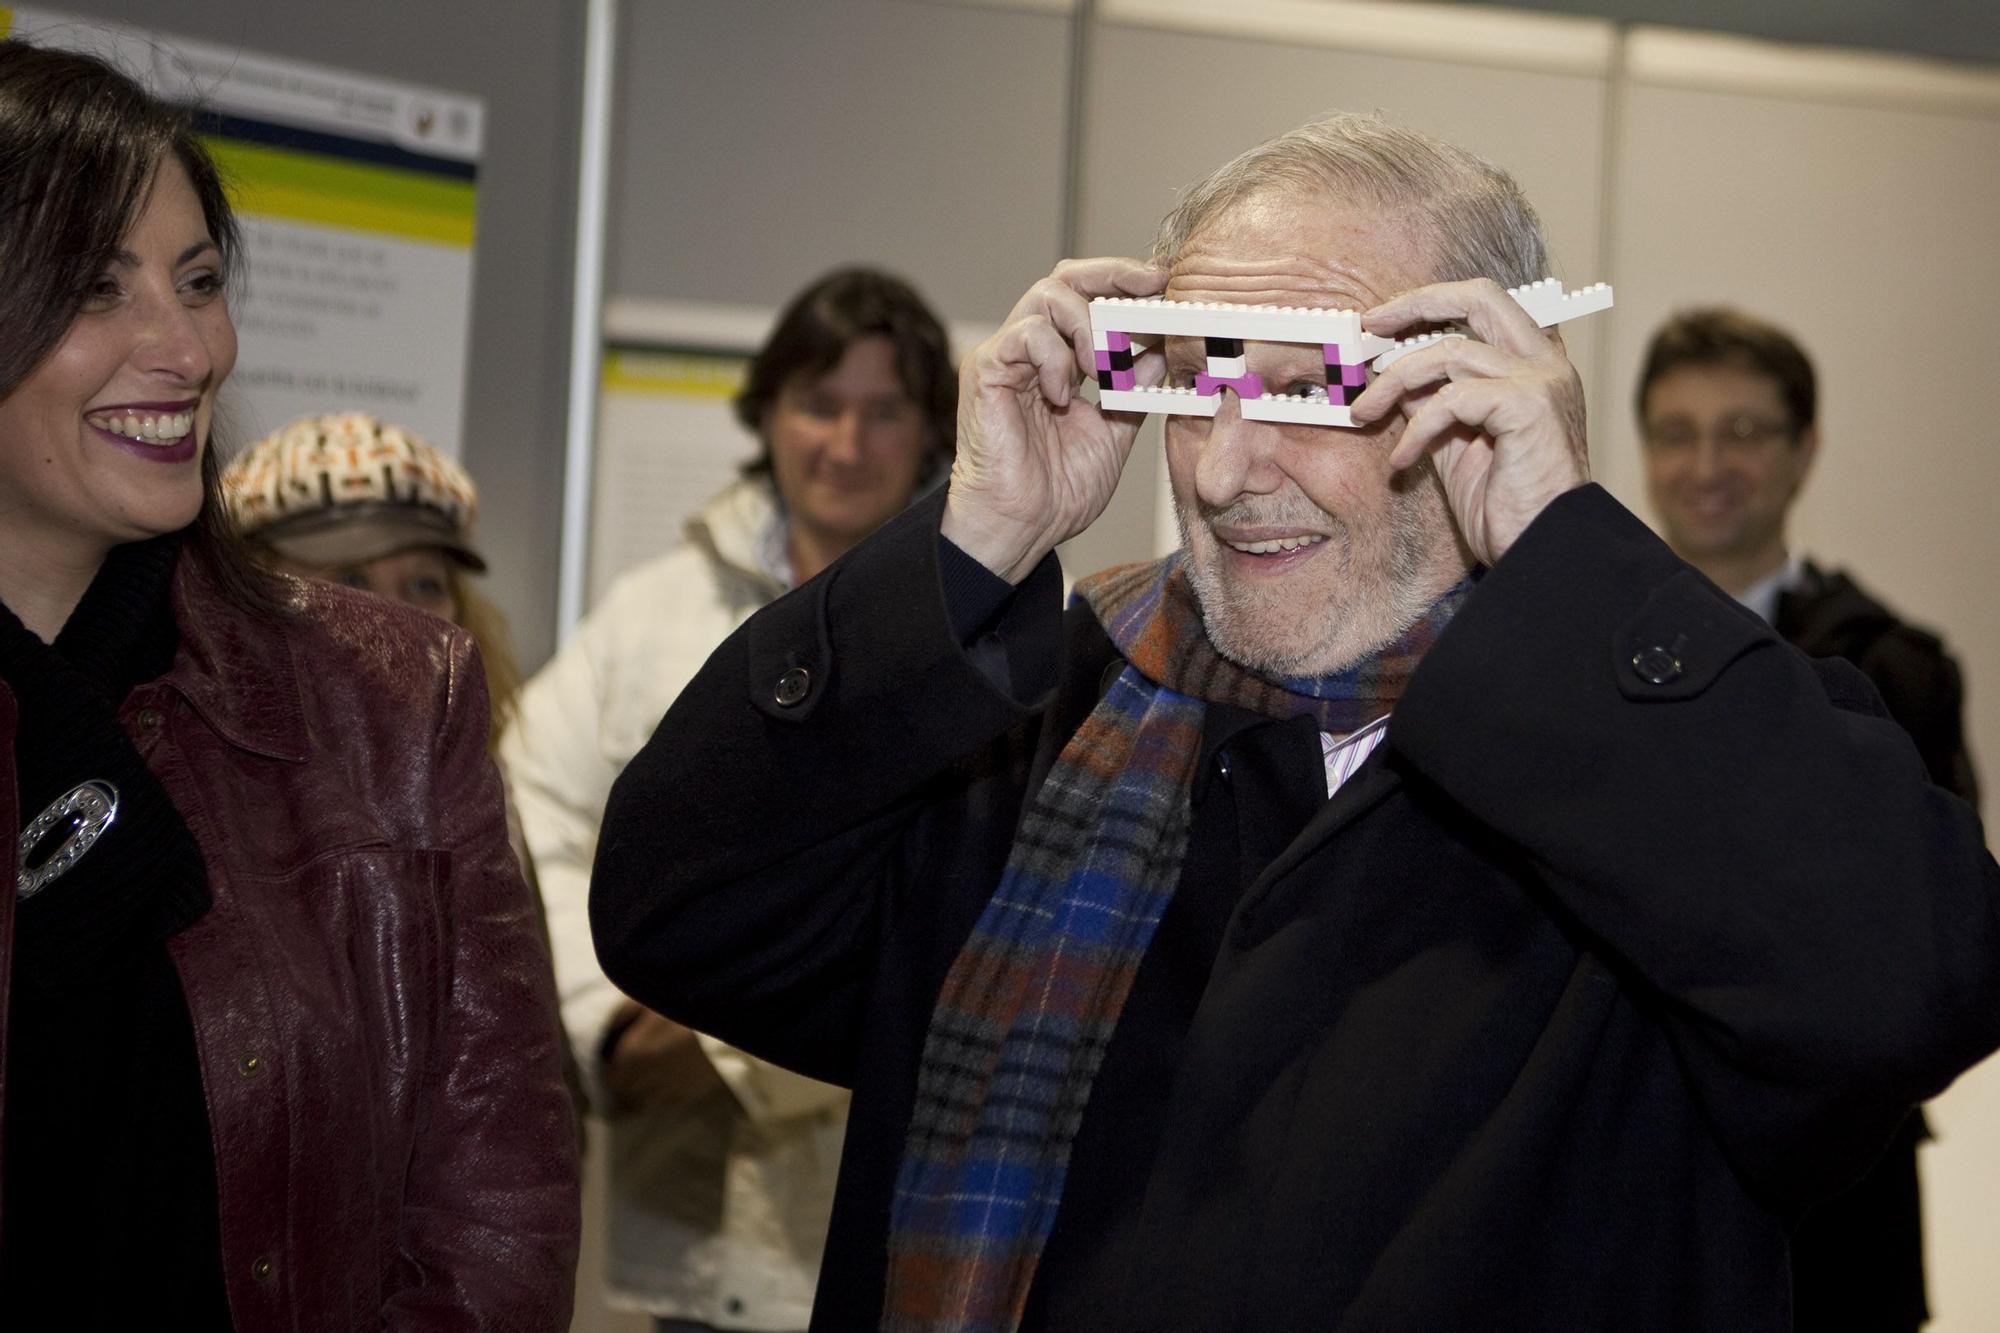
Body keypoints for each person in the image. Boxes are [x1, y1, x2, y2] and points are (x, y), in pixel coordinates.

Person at [590, 113, 2000, 1332]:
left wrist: (1565, 553)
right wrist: (973, 543)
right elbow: (684, 913)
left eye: (1312, 383)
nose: (1224, 469)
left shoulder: (1661, 760)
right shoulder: (1043, 725)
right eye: (1192, 381)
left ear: (1484, 391)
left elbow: (1903, 987)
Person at [0, 38, 578, 1329]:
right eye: (95, 287)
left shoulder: (388, 699)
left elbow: (497, 1214)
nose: (187, 346)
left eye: (199, 280)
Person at [501, 267, 956, 1331]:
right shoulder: (651, 612)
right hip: (693, 1232)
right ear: (767, 413)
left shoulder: (988, 633)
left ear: (932, 428)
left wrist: (724, 1048)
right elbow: (525, 815)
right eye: (818, 403)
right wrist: (607, 1014)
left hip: (901, 1227)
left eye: (884, 411)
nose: (846, 443)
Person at [1636, 307, 1980, 1331]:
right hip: (1631, 1173)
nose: (1707, 465)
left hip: (1836, 1200)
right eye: (1677, 431)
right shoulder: (1569, 655)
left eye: (1743, 431)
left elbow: (1921, 945)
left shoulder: (1894, 672)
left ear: (1803, 451)